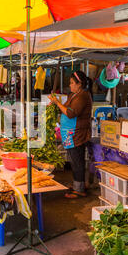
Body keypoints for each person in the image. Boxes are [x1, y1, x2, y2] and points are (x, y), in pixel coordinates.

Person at [48, 70, 92, 198]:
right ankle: (78, 184)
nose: (70, 85)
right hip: (70, 134)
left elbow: (71, 113)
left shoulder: (83, 96)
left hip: (77, 134)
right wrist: (56, 103)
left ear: (79, 84)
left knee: (77, 161)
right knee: (74, 161)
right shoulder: (74, 95)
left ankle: (79, 190)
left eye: (72, 83)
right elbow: (65, 108)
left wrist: (57, 103)